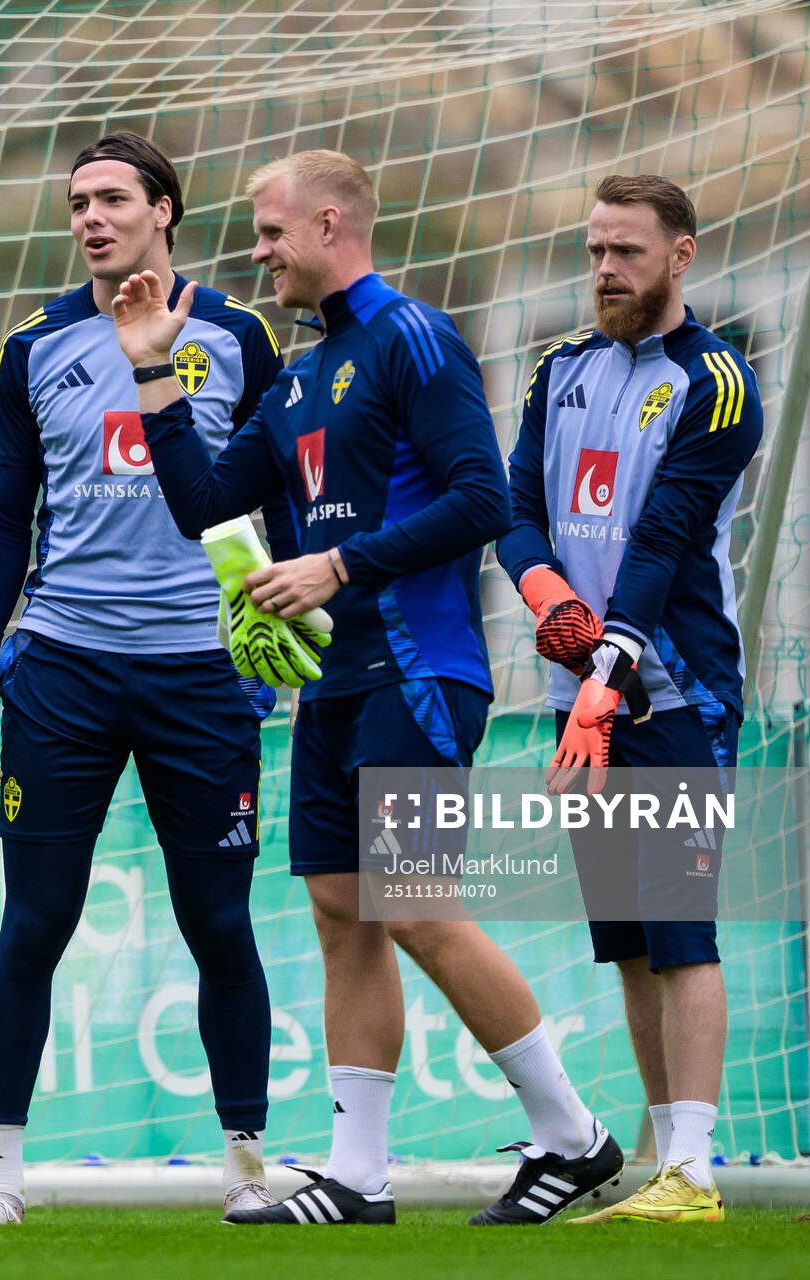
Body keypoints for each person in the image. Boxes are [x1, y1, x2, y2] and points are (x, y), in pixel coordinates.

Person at [113, 149, 621, 1227]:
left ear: (331, 222)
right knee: (343, 911)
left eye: (269, 231)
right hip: (335, 682)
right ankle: (359, 1176)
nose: (257, 252)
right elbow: (201, 502)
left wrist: (339, 567)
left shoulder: (415, 339)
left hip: (421, 672)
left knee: (418, 908)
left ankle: (575, 1136)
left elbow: (485, 498)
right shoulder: (297, 374)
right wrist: (152, 367)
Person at [0, 132, 296, 1226]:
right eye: (78, 202)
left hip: (200, 670)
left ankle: (248, 1166)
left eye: (112, 199)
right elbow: (8, 513)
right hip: (65, 669)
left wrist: (275, 626)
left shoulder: (238, 336)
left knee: (220, 926)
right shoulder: (32, 345)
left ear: (165, 210)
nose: (91, 217)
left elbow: (270, 495)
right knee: (34, 922)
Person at [499, 174, 762, 1224]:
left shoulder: (719, 382)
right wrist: (552, 603)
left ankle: (693, 1169)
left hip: (676, 698)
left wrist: (606, 675)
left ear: (682, 255)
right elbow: (516, 510)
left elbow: (662, 542)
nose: (606, 269)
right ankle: (662, 1157)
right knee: (631, 940)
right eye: (596, 249)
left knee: (684, 929)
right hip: (584, 698)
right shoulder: (558, 368)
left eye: (628, 252)